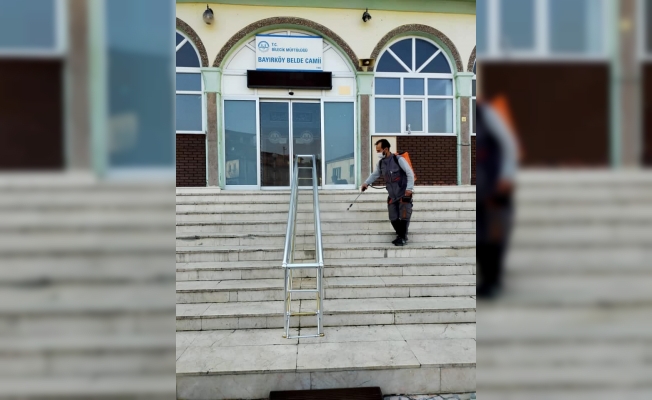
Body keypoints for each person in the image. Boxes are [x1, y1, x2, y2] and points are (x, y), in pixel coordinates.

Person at [476, 97, 519, 298]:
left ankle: (493, 281)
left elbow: (509, 144)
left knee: (493, 237)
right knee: (480, 238)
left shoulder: (485, 113)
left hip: (494, 188)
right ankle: (487, 280)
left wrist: (506, 176)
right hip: (480, 191)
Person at [361, 139, 415, 246]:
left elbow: (410, 173)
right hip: (392, 195)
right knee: (393, 217)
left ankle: (402, 238)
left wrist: (409, 189)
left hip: (403, 193)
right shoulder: (381, 163)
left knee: (404, 217)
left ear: (386, 149)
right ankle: (400, 236)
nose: (377, 153)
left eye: (379, 150)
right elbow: (375, 174)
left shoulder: (398, 159)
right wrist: (366, 183)